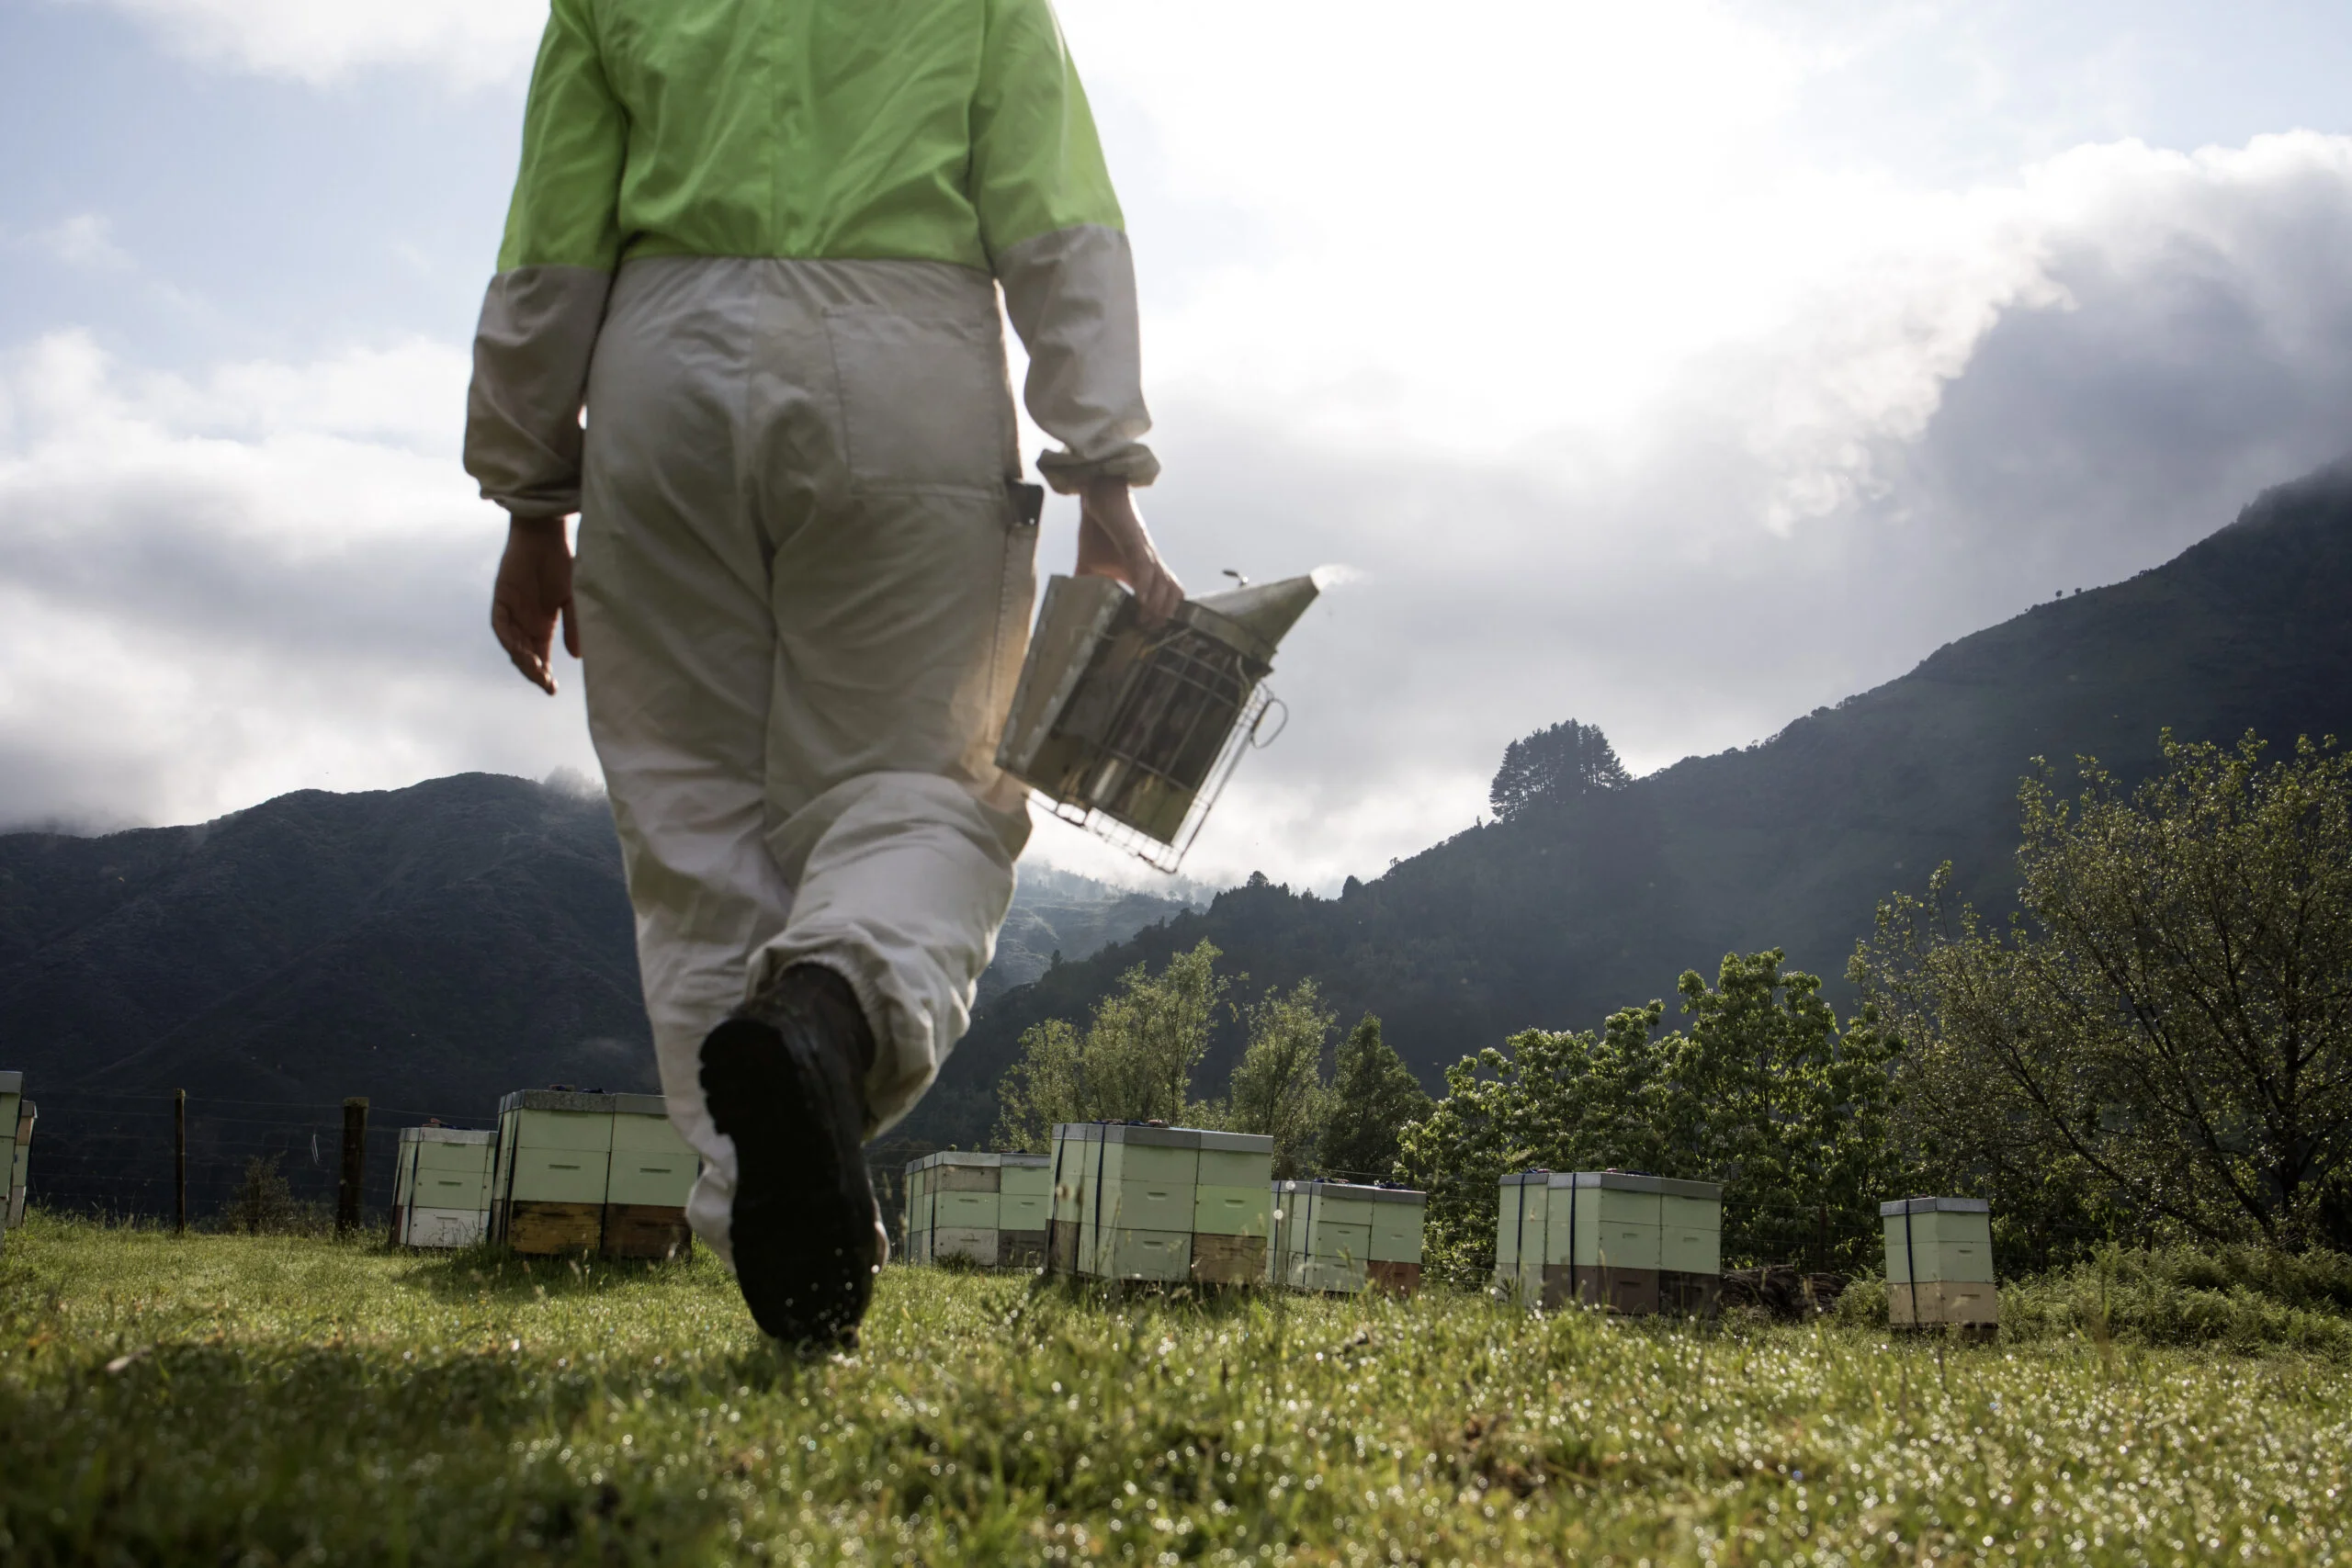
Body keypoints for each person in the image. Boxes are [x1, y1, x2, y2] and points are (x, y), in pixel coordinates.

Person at [466, 0, 1181, 1345]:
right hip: (903, 362)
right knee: (935, 781)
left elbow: (550, 241)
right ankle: (838, 1005)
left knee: (693, 823)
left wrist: (526, 496)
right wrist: (1103, 473)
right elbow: (1059, 214)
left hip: (659, 377)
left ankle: (785, 1246)